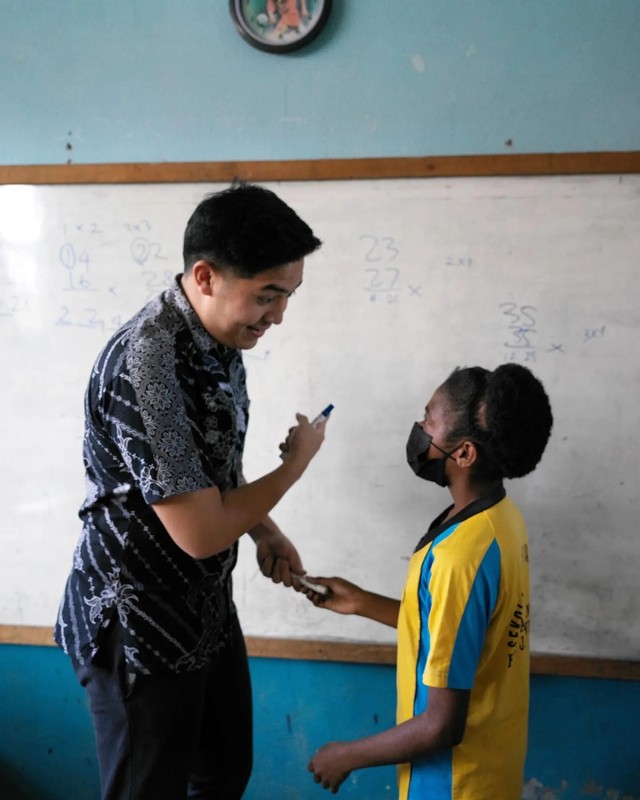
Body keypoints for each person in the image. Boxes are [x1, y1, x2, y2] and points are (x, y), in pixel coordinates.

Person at [54, 182, 325, 800]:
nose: (279, 315)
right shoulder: (149, 364)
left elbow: (207, 469)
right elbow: (200, 533)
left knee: (224, 772)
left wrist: (264, 528)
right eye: (267, 295)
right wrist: (294, 467)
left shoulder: (221, 341)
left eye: (288, 295)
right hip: (138, 619)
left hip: (201, 606)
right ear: (204, 276)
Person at [303, 363, 553, 799]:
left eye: (429, 419)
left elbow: (441, 725)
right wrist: (362, 602)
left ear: (464, 454)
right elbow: (455, 634)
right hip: (491, 771)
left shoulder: (460, 555)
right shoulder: (500, 521)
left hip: (454, 784)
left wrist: (346, 755)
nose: (420, 428)